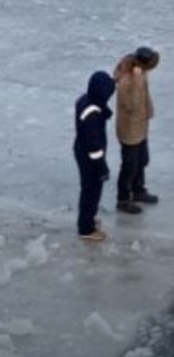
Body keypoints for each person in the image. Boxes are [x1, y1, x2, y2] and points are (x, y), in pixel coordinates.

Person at [114, 47, 160, 215]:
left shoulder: (141, 74)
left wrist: (149, 111)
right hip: (129, 129)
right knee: (129, 166)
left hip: (140, 126)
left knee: (142, 160)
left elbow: (144, 96)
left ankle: (138, 190)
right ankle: (123, 199)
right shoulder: (127, 80)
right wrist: (137, 81)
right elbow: (132, 105)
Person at [73, 71, 115, 242]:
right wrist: (102, 167)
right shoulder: (92, 115)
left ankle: (88, 219)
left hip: (81, 150)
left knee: (88, 190)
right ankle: (86, 228)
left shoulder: (86, 99)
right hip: (90, 158)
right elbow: (94, 146)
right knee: (91, 192)